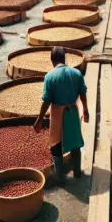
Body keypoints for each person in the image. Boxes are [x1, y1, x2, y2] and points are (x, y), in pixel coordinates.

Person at [33, 46, 89, 184]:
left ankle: (60, 177)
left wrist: (39, 119)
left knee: (56, 143)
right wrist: (85, 110)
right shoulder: (76, 73)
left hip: (58, 113)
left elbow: (47, 100)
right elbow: (83, 93)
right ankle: (77, 173)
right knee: (75, 142)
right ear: (65, 59)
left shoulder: (49, 77)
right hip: (73, 110)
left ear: (52, 60)